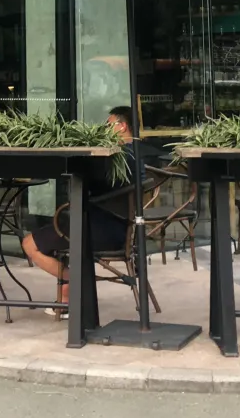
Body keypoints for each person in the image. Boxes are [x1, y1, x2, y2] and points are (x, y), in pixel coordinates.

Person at [21, 106, 166, 316]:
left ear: (122, 126)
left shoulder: (116, 158)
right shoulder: (134, 156)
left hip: (98, 230)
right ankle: (67, 295)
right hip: (120, 230)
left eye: (108, 124)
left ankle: (74, 286)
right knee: (59, 234)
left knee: (29, 244)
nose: (104, 128)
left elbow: (91, 186)